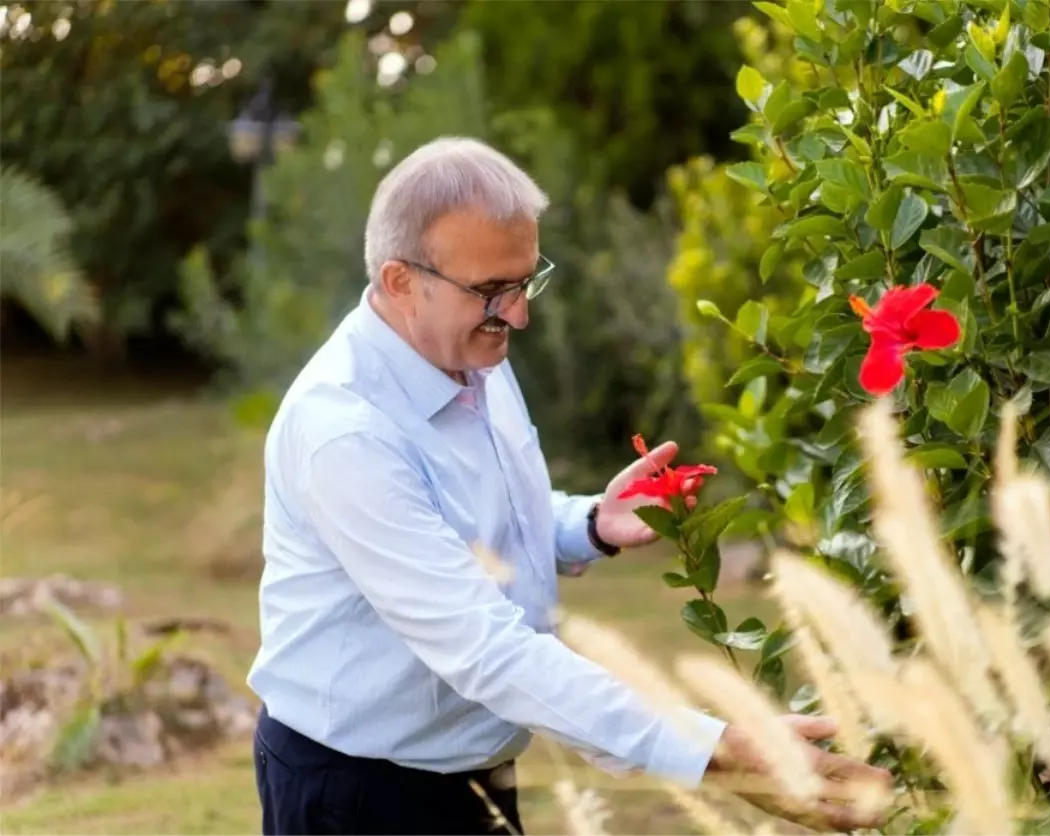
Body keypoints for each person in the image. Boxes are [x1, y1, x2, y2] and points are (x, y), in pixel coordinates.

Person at [246, 136, 891, 835]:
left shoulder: (471, 352)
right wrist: (716, 751)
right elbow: (487, 650)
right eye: (492, 291)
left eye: (526, 281)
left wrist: (585, 524)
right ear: (402, 281)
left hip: (476, 770)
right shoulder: (346, 433)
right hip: (360, 794)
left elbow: (469, 523)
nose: (519, 315)